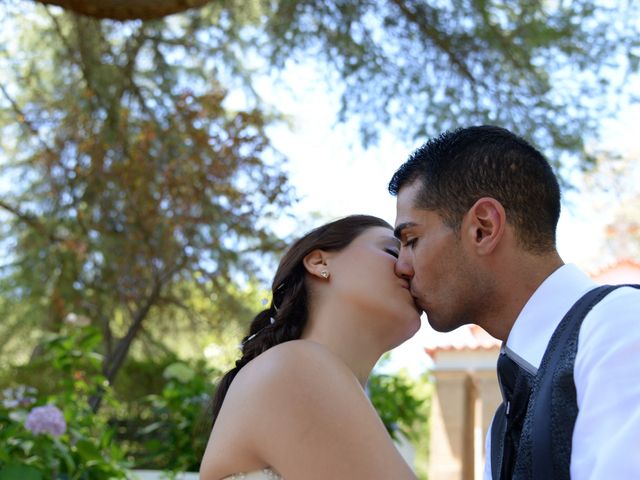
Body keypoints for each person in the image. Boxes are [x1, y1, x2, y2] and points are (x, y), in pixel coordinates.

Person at [388, 125, 640, 479]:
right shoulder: (503, 422)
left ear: (483, 228)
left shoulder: (621, 328)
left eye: (411, 239)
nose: (401, 266)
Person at [199, 215, 422, 480]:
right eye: (391, 251)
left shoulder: (298, 369)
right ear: (319, 262)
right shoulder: (295, 366)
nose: (409, 267)